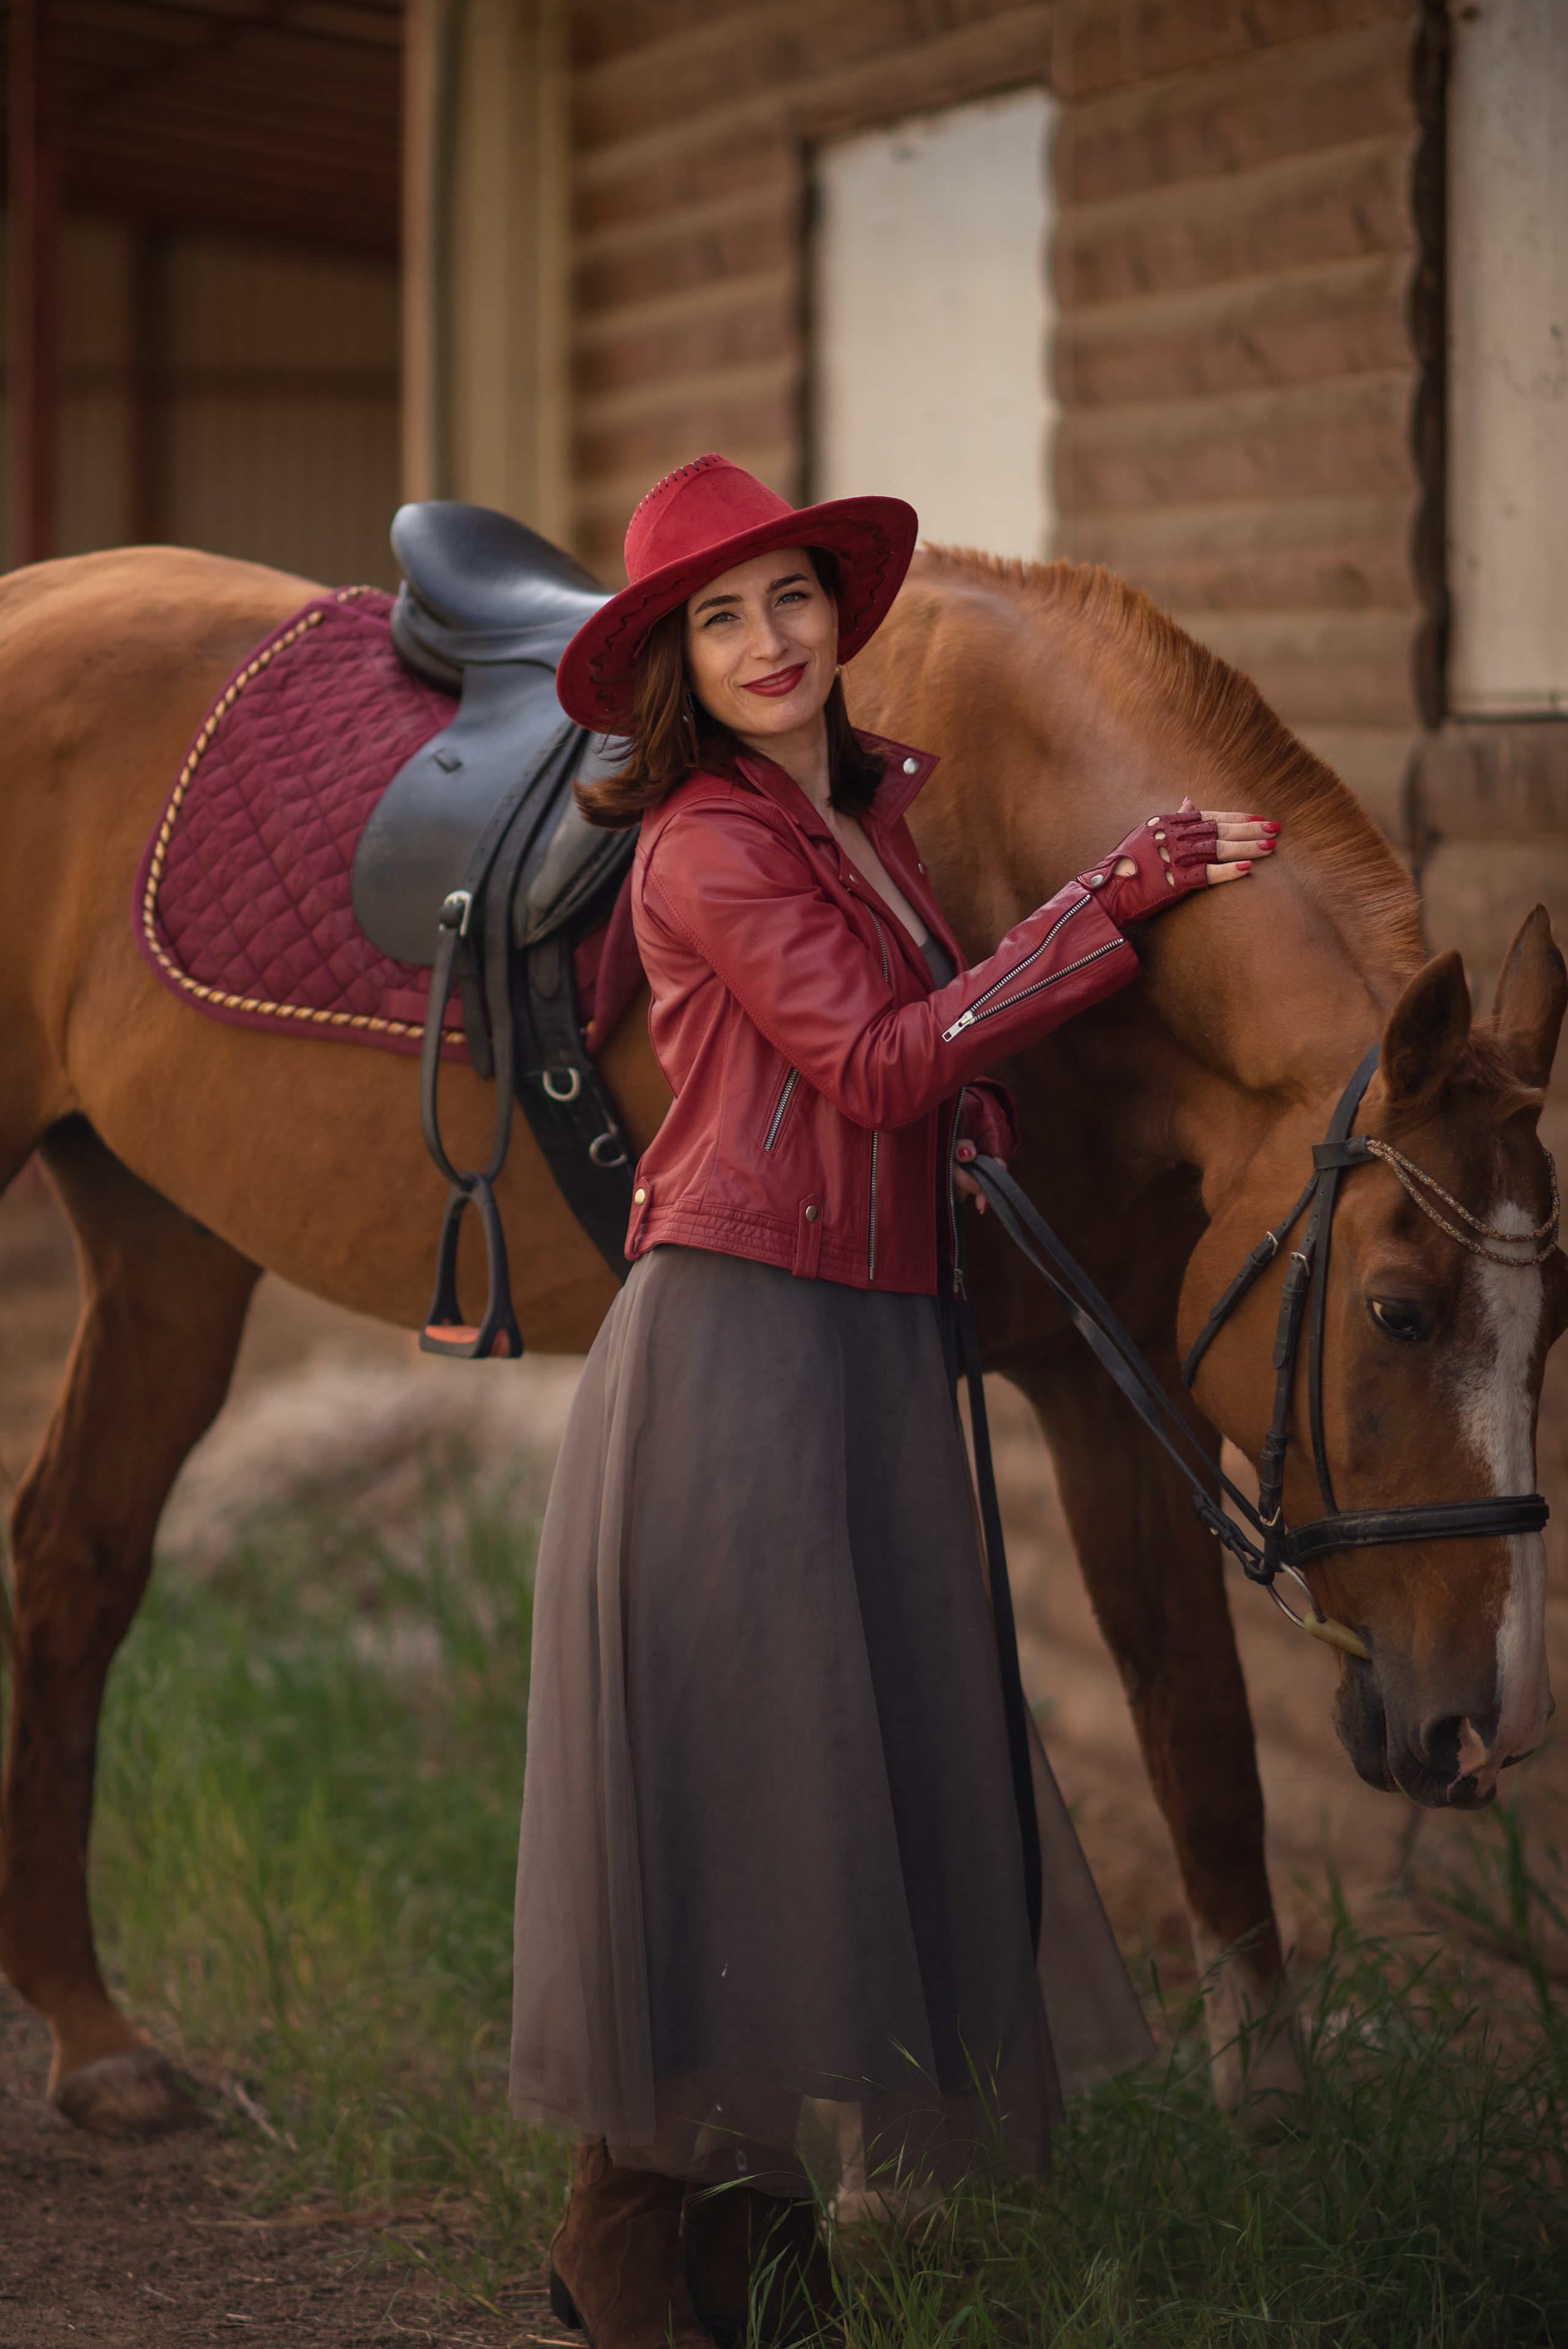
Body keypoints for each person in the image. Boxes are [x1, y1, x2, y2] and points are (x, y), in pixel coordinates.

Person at [511, 455, 1276, 2349]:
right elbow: (865, 1064)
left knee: (809, 1800)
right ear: (678, 665)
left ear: (834, 618)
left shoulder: (857, 815)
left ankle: (758, 2240)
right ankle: (619, 2239)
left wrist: (1002, 1082)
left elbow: (928, 1070)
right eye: (720, 616)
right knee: (731, 1788)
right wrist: (1105, 902)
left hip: (867, 1337)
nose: (768, 642)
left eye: (789, 599)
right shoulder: (701, 839)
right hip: (741, 1342)